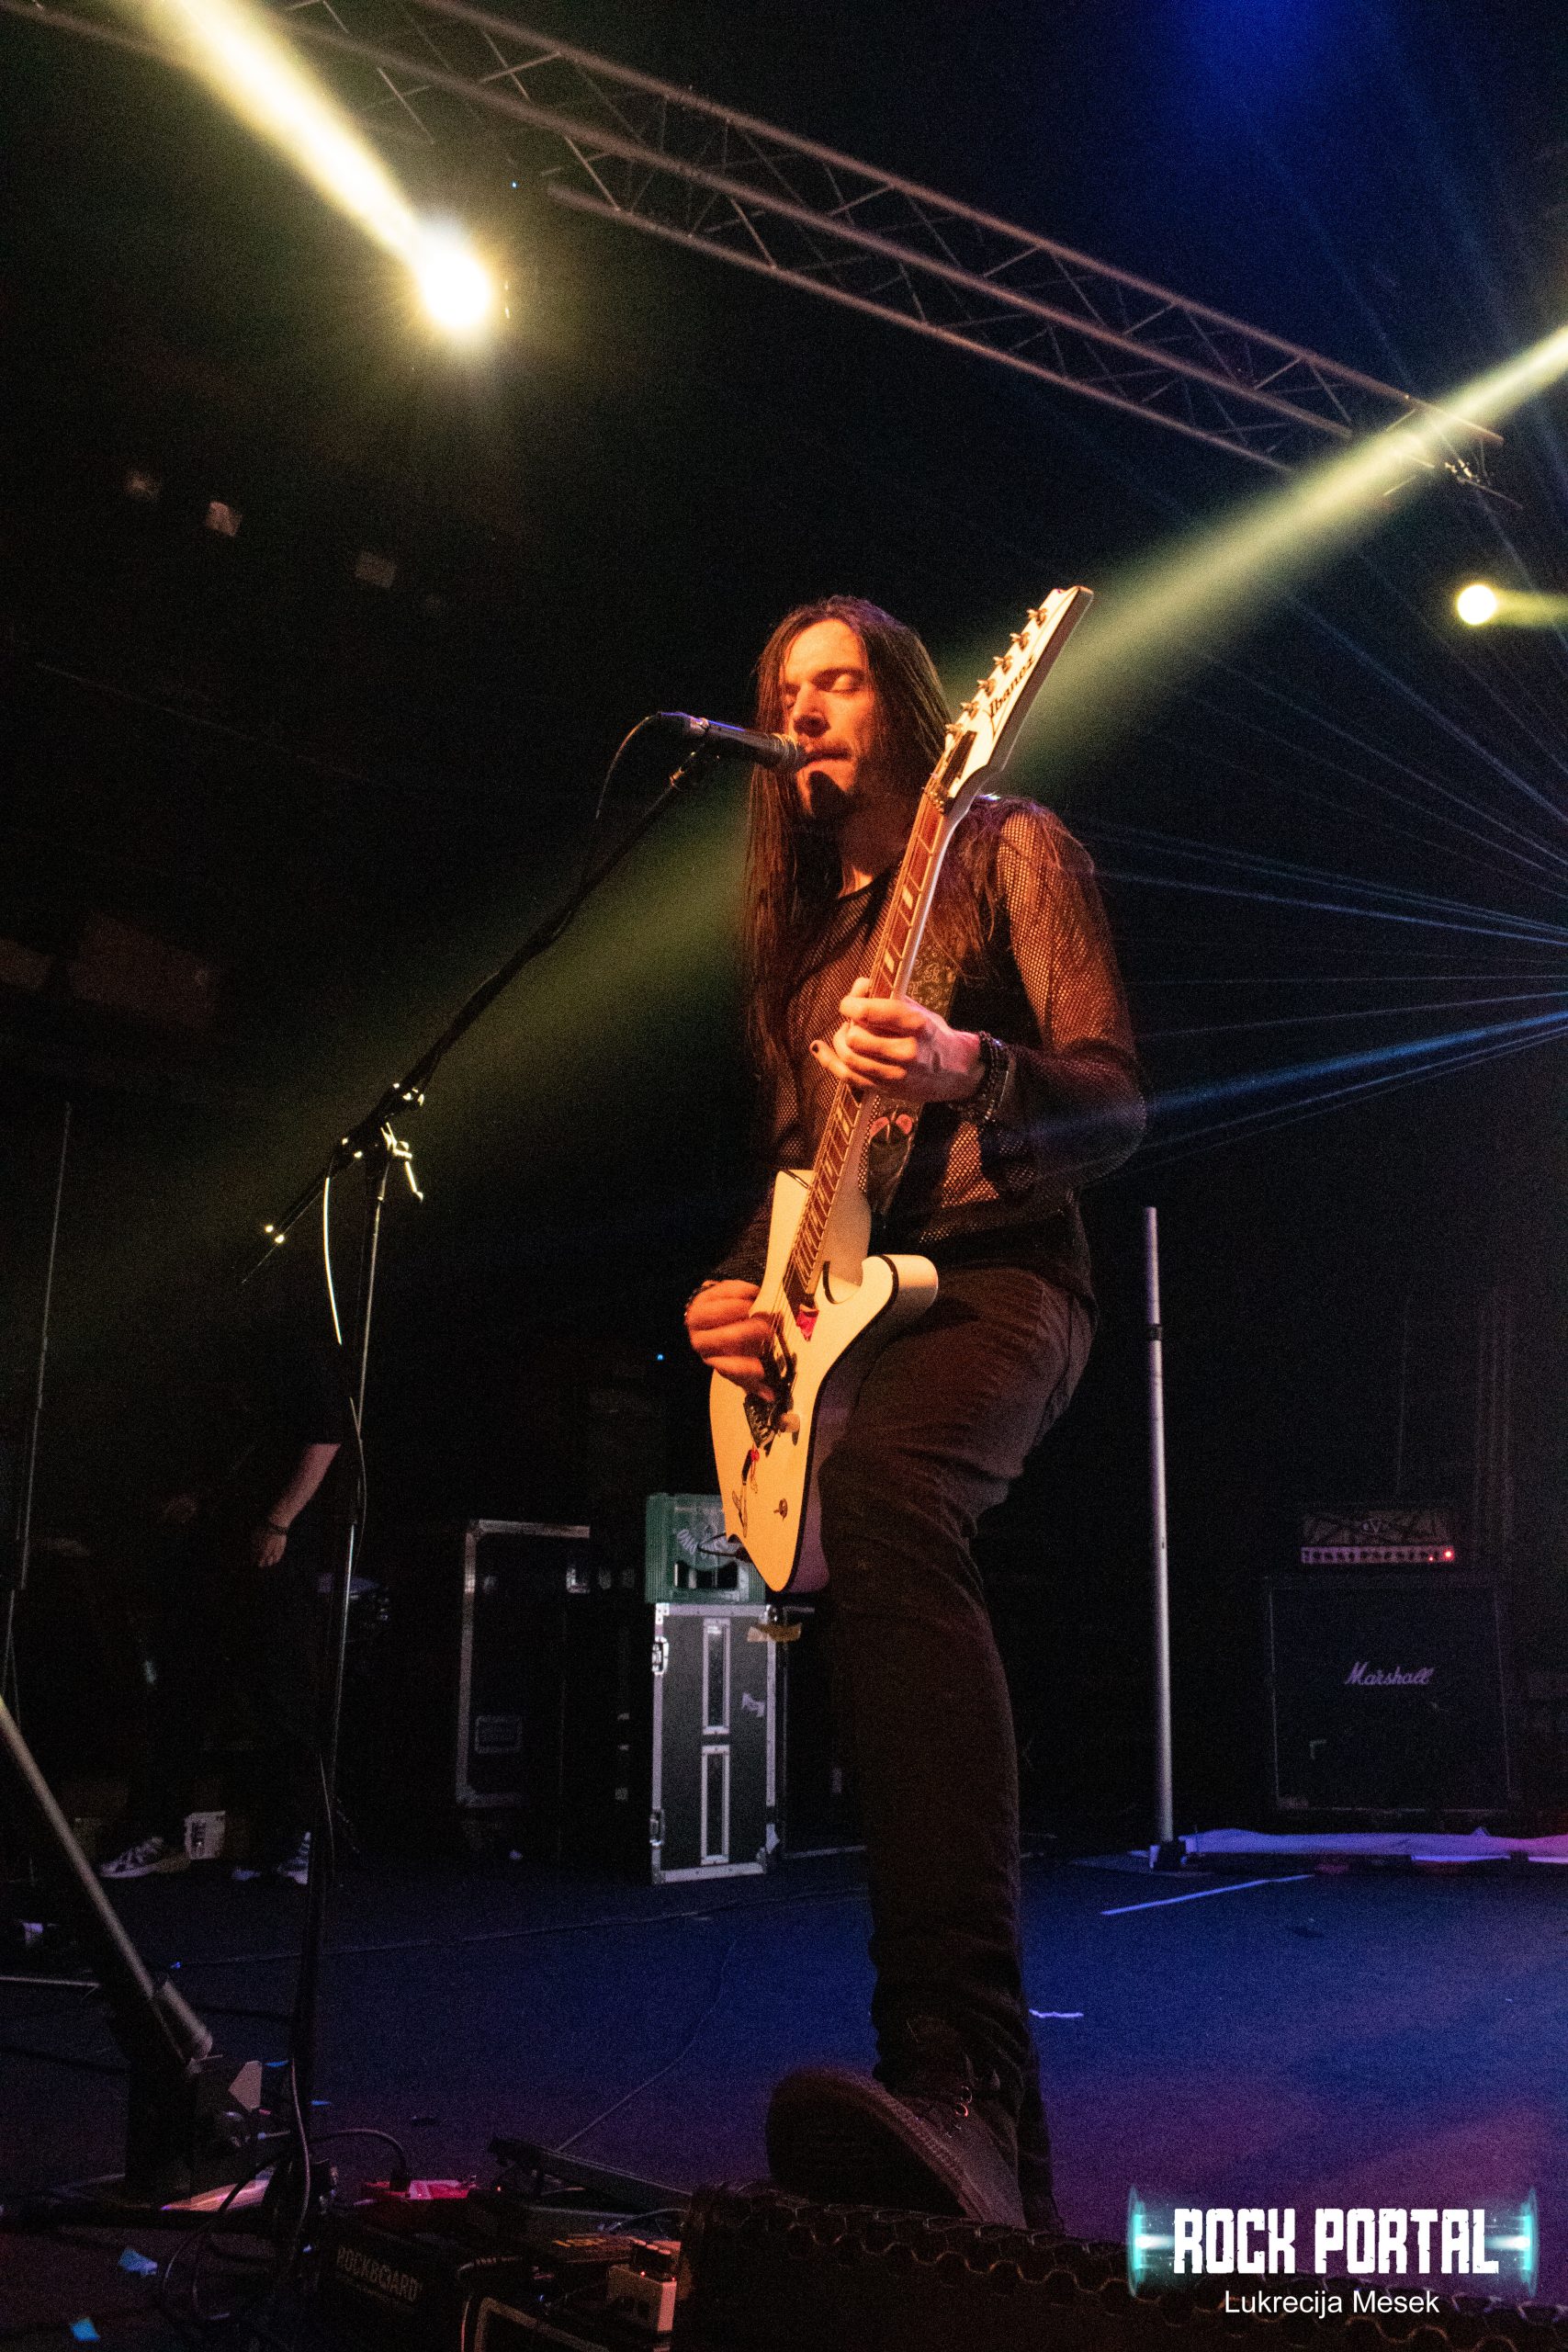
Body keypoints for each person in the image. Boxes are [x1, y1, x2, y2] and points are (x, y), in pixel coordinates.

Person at [684, 595, 1145, 2232]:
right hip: (852, 1311)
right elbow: (799, 1176)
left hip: (1009, 1278)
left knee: (888, 1495)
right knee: (870, 1572)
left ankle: (954, 2067)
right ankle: (977, 2144)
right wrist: (731, 1292)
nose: (806, 709)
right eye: (783, 687)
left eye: (837, 682)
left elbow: (1115, 1103)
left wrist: (970, 1069)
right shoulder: (805, 945)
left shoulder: (1006, 843)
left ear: (908, 702)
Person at [97, 1327, 342, 1889]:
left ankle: (295, 1839)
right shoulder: (224, 1357)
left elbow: (325, 1437)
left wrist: (279, 1520)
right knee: (183, 1692)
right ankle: (161, 1833)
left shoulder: (297, 1347)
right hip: (217, 1549)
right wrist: (200, 1500)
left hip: (271, 1553)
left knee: (279, 1698)